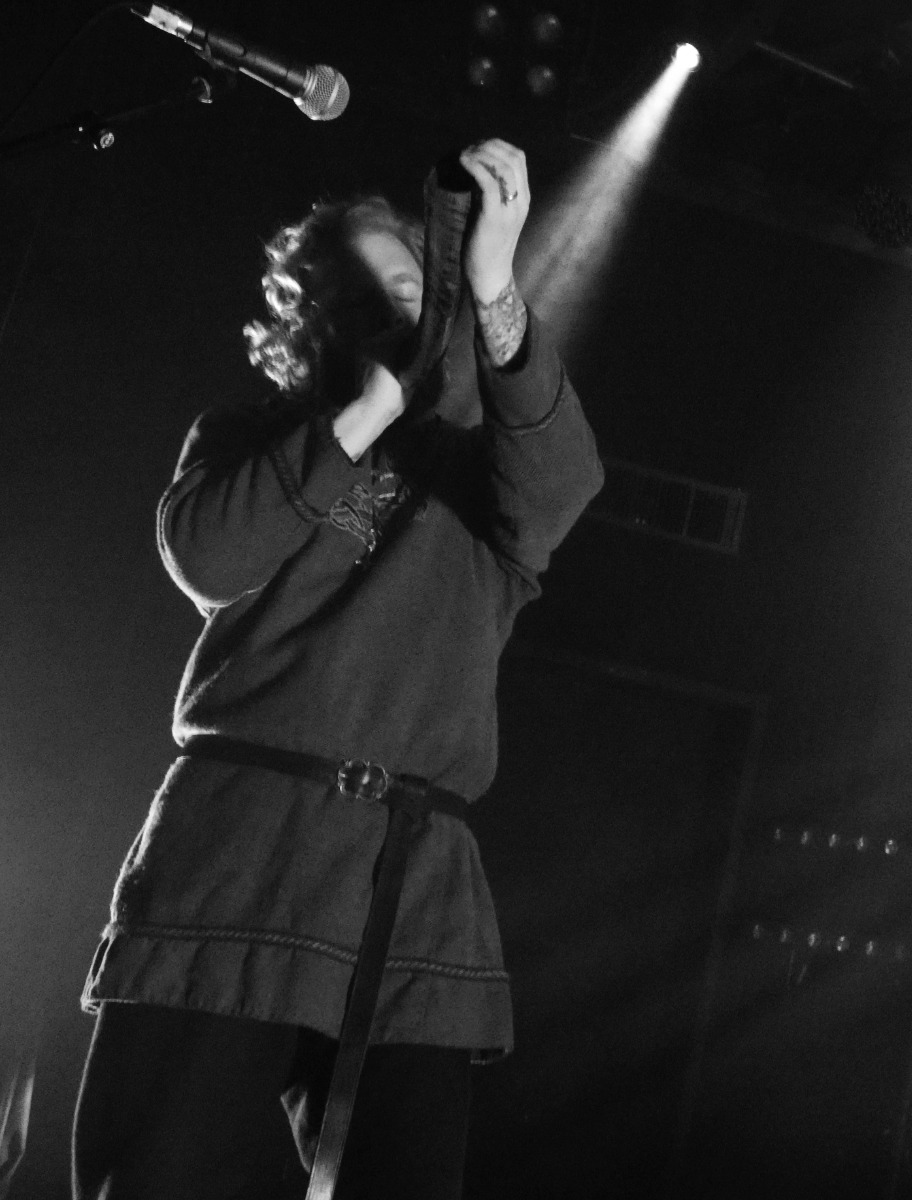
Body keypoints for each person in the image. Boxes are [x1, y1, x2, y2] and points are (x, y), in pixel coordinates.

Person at [72, 139, 604, 1199]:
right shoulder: (244, 435)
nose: (394, 310)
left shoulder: (482, 469)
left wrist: (494, 291)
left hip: (412, 881)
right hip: (240, 851)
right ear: (314, 320)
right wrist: (366, 409)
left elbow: (562, 485)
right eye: (363, 296)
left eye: (408, 287)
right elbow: (210, 555)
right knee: (163, 1171)